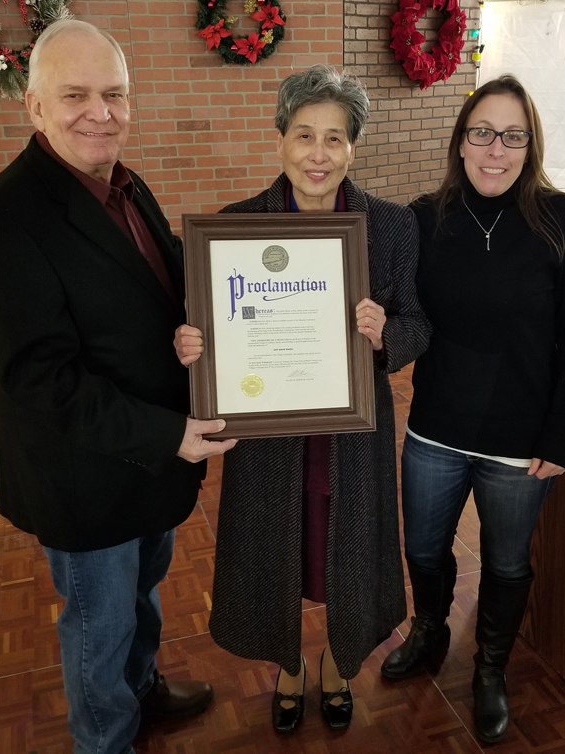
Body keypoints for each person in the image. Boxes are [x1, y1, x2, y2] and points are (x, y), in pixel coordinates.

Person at [0, 20, 235, 754]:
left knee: (140, 598)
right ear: (34, 106)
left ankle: (141, 691)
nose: (100, 111)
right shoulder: (3, 222)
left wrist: (205, 327)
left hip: (147, 466)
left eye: (114, 93)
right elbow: (39, 381)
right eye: (75, 94)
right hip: (84, 476)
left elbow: (167, 281)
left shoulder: (124, 183)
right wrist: (171, 431)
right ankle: (105, 740)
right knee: (97, 625)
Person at [174, 65, 431, 733]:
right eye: (304, 135)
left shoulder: (392, 227)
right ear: (281, 138)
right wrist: (194, 346)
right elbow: (207, 333)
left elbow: (418, 324)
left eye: (336, 139)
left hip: (353, 436)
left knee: (345, 551)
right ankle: (288, 667)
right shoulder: (234, 229)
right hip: (271, 435)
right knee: (277, 549)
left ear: (354, 147)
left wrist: (384, 335)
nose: (318, 155)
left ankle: (338, 668)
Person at [379, 74, 565, 745]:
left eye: (512, 135)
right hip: (436, 429)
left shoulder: (561, 220)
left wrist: (559, 436)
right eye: (481, 132)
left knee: (506, 563)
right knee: (422, 547)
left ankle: (491, 670)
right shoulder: (424, 218)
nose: (495, 148)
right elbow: (395, 309)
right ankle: (431, 631)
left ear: (530, 145)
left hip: (519, 440)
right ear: (461, 141)